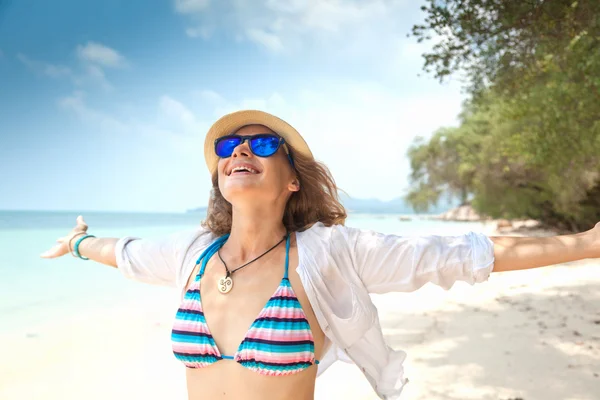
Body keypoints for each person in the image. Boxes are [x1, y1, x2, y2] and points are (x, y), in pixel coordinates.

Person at [41, 110, 600, 400]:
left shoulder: (329, 254)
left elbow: (461, 253)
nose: (241, 150)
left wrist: (588, 243)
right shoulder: (193, 252)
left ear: (292, 181)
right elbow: (128, 253)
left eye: (263, 145)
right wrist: (80, 244)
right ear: (218, 175)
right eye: (229, 147)